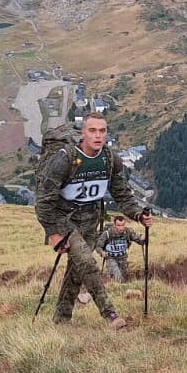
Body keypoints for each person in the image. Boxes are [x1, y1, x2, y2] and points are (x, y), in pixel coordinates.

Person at [35, 113, 151, 328]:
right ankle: (111, 316)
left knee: (77, 271)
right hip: (65, 220)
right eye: (92, 130)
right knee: (88, 264)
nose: (98, 136)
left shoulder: (110, 159)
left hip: (91, 219)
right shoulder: (64, 159)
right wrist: (53, 234)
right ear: (83, 133)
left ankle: (61, 320)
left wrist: (137, 214)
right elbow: (43, 202)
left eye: (102, 131)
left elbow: (121, 193)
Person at [99, 213, 147, 284]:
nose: (121, 227)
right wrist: (102, 252)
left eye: (123, 225)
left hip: (123, 259)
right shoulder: (107, 234)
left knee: (123, 280)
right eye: (118, 225)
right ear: (114, 225)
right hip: (111, 258)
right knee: (118, 278)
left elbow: (138, 240)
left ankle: (116, 291)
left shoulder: (128, 232)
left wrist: (143, 238)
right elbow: (98, 246)